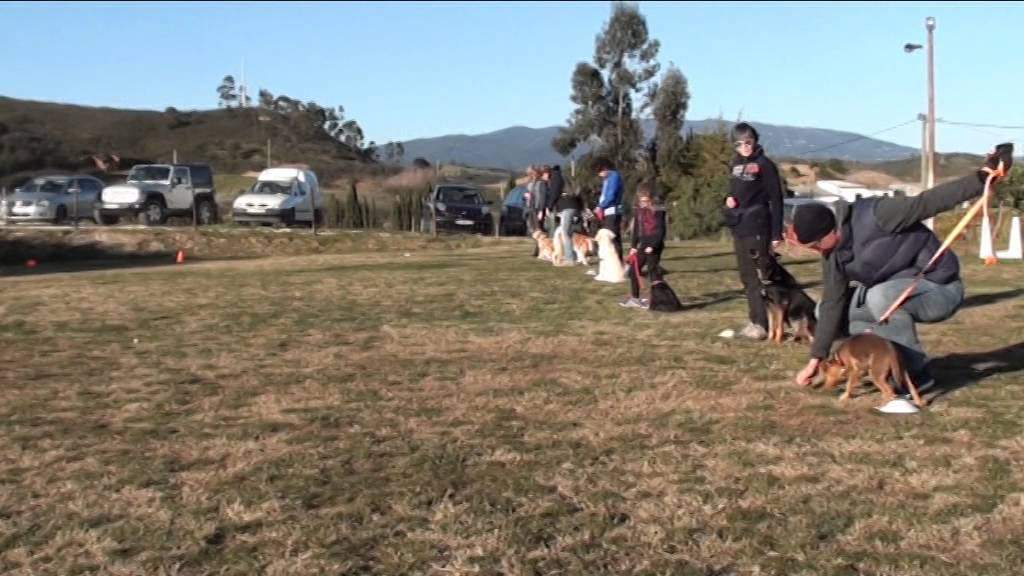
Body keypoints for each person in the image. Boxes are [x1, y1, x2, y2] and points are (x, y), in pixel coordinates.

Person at [790, 143, 1014, 395]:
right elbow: (832, 302)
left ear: (830, 231)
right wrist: (815, 359)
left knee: (879, 297)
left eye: (814, 245)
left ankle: (916, 375)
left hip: (939, 288)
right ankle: (884, 360)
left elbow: (930, 202)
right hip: (893, 294)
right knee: (825, 311)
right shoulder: (832, 255)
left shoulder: (879, 214)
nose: (814, 251)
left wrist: (983, 176)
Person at [722, 122, 784, 340]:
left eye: (748, 142)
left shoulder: (765, 165)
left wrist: (777, 234)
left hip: (759, 226)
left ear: (755, 141)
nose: (745, 147)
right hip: (740, 226)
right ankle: (756, 320)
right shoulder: (735, 165)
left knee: (764, 276)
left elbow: (776, 200)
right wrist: (728, 200)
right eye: (739, 144)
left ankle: (775, 321)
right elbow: (734, 191)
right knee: (747, 277)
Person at [621, 183, 666, 308]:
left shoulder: (658, 211)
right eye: (641, 201)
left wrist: (653, 246)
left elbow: (661, 231)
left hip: (655, 244)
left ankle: (658, 299)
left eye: (646, 201)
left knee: (653, 271)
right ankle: (635, 299)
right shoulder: (639, 210)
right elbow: (636, 229)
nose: (643, 203)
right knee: (633, 271)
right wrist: (633, 246)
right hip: (643, 242)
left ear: (652, 198)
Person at [547, 165, 582, 265]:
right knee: (569, 233)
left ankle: (569, 259)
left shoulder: (556, 178)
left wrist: (549, 206)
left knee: (565, 233)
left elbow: (554, 193)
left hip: (567, 207)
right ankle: (573, 256)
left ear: (547, 173)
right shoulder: (564, 177)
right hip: (574, 206)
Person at [593, 157, 625, 261]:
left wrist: (600, 206)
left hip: (613, 210)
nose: (599, 175)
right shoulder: (607, 179)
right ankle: (616, 261)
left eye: (599, 172)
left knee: (611, 237)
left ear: (604, 169)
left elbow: (610, 196)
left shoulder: (613, 177)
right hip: (608, 211)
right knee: (613, 237)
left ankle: (616, 261)